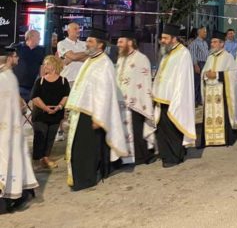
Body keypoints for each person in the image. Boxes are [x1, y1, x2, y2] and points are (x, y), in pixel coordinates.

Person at [65, 28, 128, 190]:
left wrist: (98, 117)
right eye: (87, 41)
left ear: (100, 45)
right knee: (79, 147)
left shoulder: (105, 63)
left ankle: (85, 179)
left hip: (92, 114)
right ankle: (80, 178)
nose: (87, 43)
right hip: (82, 111)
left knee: (85, 149)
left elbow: (104, 93)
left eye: (90, 41)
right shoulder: (90, 60)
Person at [0, 44, 38, 214]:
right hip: (9, 130)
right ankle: (11, 197)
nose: (18, 59)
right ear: (8, 58)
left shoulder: (7, 76)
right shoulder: (8, 77)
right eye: (15, 56)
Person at [152, 24, 196, 167]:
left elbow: (183, 80)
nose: (162, 41)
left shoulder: (183, 54)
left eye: (165, 38)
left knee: (173, 130)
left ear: (173, 38)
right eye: (162, 38)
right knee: (162, 130)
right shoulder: (167, 53)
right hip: (161, 99)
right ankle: (166, 154)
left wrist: (177, 100)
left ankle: (174, 157)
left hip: (174, 100)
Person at [115, 30, 156, 166]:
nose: (118, 44)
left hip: (137, 101)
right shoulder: (121, 59)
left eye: (121, 42)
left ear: (130, 42)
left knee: (137, 130)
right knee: (123, 131)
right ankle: (125, 157)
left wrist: (135, 98)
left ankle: (141, 156)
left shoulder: (141, 59)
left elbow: (144, 81)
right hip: (121, 101)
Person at [201, 31, 237, 146]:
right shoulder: (210, 57)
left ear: (222, 44)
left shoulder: (228, 57)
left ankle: (224, 139)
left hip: (222, 93)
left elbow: (233, 75)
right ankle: (209, 139)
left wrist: (218, 75)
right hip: (210, 93)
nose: (212, 44)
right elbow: (203, 73)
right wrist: (205, 74)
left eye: (215, 42)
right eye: (211, 42)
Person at [30, 55, 70, 170]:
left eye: (47, 63)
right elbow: (35, 97)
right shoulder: (40, 81)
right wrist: (45, 108)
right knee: (40, 137)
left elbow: (66, 96)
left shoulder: (63, 81)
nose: (45, 66)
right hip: (40, 114)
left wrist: (59, 106)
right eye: (44, 64)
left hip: (56, 113)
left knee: (50, 137)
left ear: (54, 65)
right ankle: (37, 160)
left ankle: (45, 158)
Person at [13, 29, 45, 103]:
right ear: (31, 37)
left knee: (27, 107)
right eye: (38, 36)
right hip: (16, 85)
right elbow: (6, 60)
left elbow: (42, 66)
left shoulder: (41, 50)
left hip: (32, 86)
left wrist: (41, 82)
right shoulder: (17, 47)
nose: (40, 38)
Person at [188, 26, 209, 107]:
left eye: (205, 32)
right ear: (199, 32)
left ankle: (200, 99)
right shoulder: (194, 43)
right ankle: (194, 101)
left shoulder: (205, 43)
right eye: (204, 31)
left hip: (205, 63)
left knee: (202, 83)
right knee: (196, 83)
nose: (205, 33)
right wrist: (195, 65)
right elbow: (193, 54)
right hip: (198, 64)